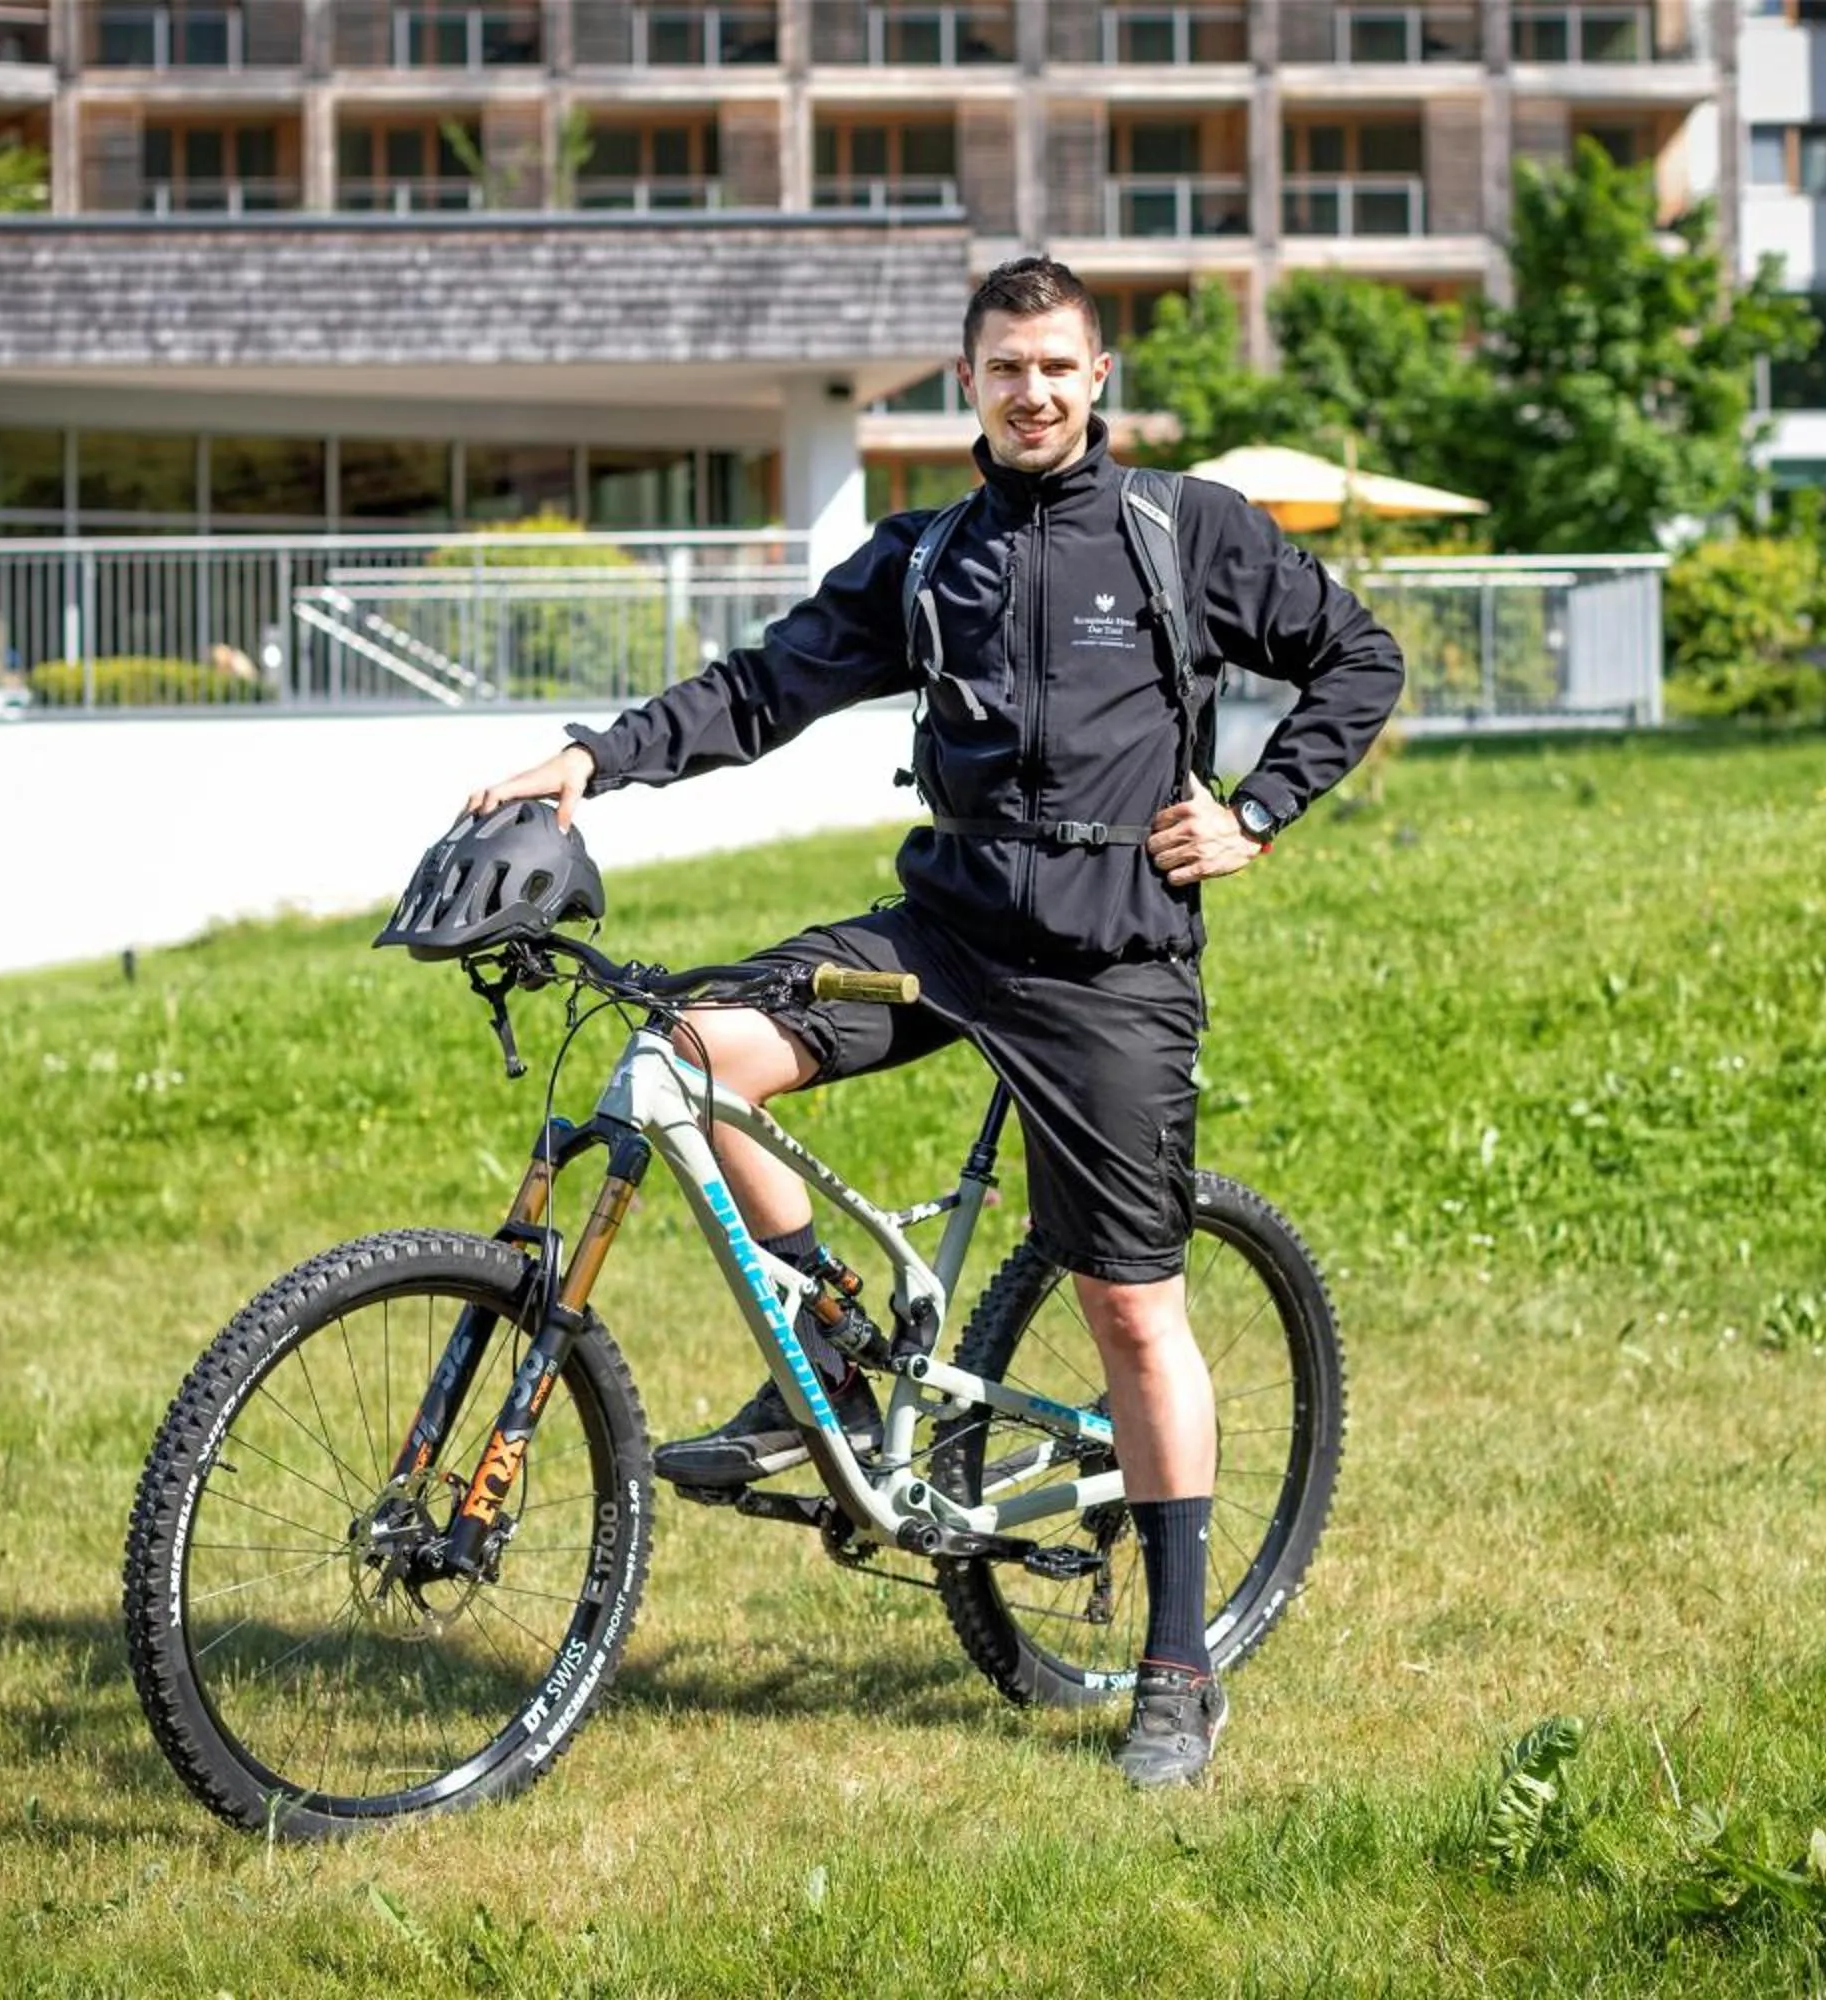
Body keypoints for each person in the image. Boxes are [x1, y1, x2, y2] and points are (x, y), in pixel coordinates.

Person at [463, 257, 1403, 1787]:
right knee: (692, 1052)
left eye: (1056, 366)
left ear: (1096, 379)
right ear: (968, 383)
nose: (1032, 392)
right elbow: (765, 688)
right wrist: (593, 759)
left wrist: (1254, 813)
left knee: (1128, 1310)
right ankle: (834, 1350)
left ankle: (1176, 1663)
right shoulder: (928, 556)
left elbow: (1360, 657)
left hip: (1113, 962)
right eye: (1005, 368)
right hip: (945, 934)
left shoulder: (1183, 531)